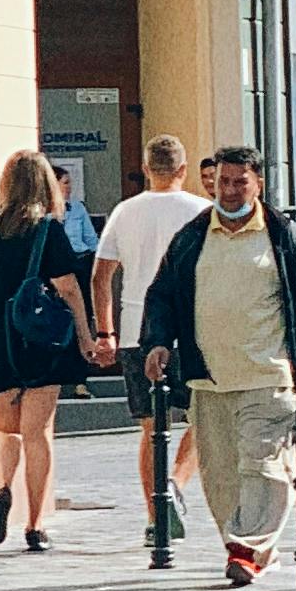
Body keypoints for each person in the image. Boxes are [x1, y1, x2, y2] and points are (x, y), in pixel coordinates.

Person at [137, 145, 296, 585]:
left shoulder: (283, 237)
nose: (229, 190)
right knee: (220, 474)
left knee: (263, 465)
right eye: (223, 182)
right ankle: (250, 547)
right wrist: (156, 343)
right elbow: (162, 294)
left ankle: (248, 549)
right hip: (208, 378)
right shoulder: (192, 237)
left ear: (258, 184)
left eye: (239, 182)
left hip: (268, 374)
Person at [0, 151, 105, 551]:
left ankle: (3, 488)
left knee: (5, 428)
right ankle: (35, 525)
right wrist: (87, 337)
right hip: (40, 337)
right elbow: (69, 287)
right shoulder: (47, 229)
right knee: (37, 433)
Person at [93, 137, 206, 539]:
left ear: (146, 168)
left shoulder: (125, 211)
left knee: (149, 428)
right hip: (190, 331)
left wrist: (104, 330)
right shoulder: (201, 211)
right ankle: (176, 482)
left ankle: (155, 516)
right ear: (183, 169)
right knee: (205, 419)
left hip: (136, 330)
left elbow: (101, 275)